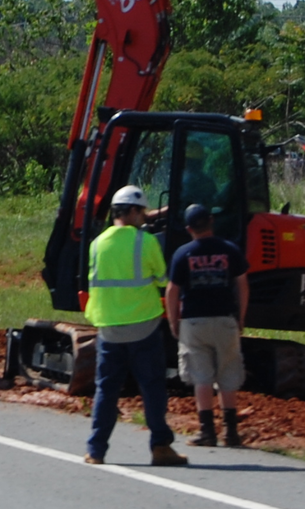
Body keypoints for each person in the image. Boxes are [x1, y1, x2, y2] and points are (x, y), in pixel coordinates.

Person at [83, 185, 188, 467]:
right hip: (143, 327)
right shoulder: (146, 242)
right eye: (142, 211)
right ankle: (161, 447)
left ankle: (96, 450)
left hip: (109, 329)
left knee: (106, 390)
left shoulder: (97, 244)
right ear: (131, 211)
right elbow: (163, 280)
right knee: (152, 388)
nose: (145, 217)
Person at [166, 203, 250, 447]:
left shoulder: (183, 254)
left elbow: (173, 291)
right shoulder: (230, 251)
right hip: (225, 319)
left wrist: (174, 321)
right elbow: (242, 285)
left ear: (188, 228)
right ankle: (231, 433)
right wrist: (241, 317)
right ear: (211, 221)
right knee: (228, 374)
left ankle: (207, 432)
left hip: (194, 321)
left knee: (202, 376)